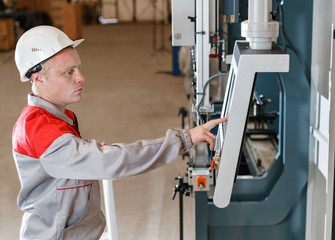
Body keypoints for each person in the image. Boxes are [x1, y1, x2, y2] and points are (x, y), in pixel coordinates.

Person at [12, 25, 227, 239]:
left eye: (78, 68)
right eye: (69, 72)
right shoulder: (40, 128)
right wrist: (183, 139)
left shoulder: (55, 117)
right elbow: (108, 162)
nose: (81, 77)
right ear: (38, 78)